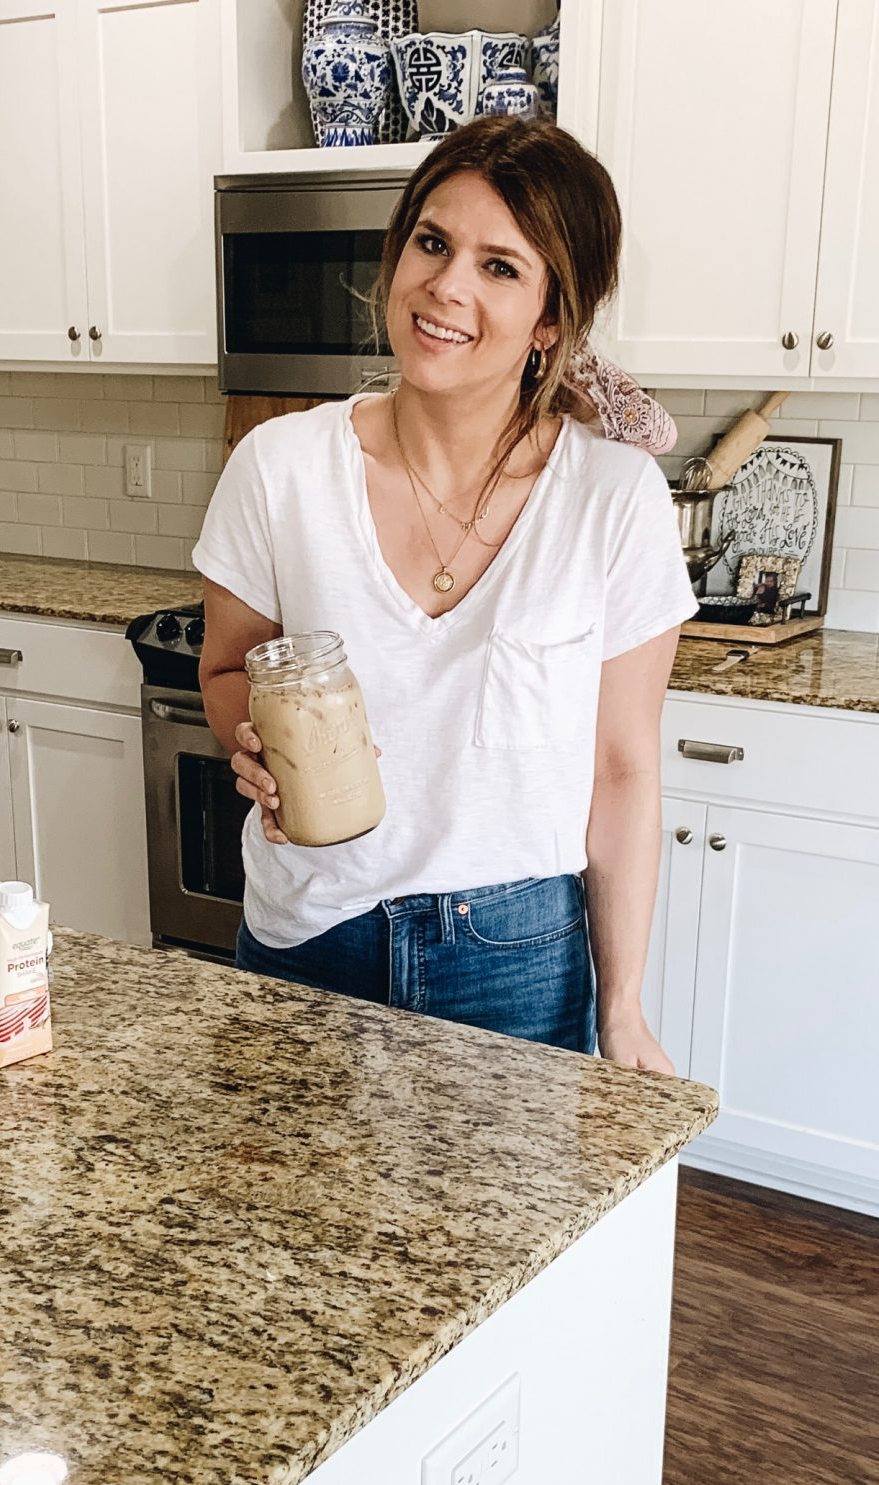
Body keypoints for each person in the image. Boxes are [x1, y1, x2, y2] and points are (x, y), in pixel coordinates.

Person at [194, 116, 697, 1070]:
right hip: (309, 928)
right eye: (432, 242)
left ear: (551, 318)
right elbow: (227, 669)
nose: (448, 287)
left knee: (513, 1223)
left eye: (501, 267)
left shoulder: (611, 497)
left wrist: (623, 1006)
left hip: (518, 957)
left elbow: (625, 767)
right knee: (294, 1219)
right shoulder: (280, 468)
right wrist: (249, 741)